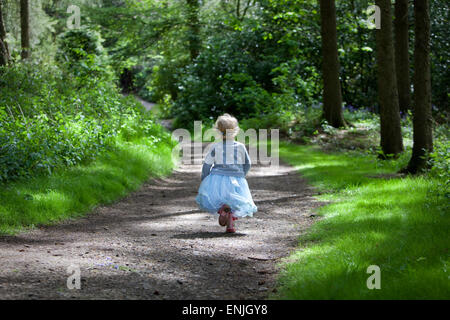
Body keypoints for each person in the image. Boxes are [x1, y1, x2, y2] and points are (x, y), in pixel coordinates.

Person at [195, 113, 257, 233]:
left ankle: (223, 210)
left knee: (221, 198)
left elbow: (207, 164)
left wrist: (205, 179)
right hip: (236, 178)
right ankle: (230, 225)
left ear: (217, 131)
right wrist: (242, 174)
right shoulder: (240, 146)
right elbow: (248, 163)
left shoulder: (215, 146)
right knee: (234, 201)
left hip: (217, 177)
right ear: (235, 131)